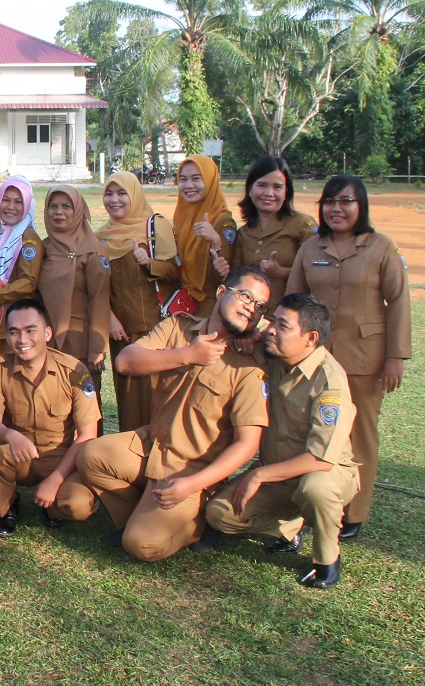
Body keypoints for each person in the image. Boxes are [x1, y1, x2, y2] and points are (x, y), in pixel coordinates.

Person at [75, 267, 270, 562]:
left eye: (259, 305)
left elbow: (248, 444)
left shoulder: (250, 366)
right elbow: (126, 361)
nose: (250, 307)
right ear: (221, 293)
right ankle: (141, 512)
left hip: (191, 469)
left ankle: (198, 520)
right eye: (244, 295)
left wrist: (193, 484)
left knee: (142, 545)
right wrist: (187, 355)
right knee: (91, 456)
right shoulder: (178, 329)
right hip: (152, 445)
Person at [205, 294, 359, 588]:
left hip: (325, 472)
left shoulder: (329, 382)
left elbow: (320, 458)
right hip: (279, 475)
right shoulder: (276, 352)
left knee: (316, 488)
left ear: (310, 338)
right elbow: (251, 325)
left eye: (282, 326)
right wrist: (249, 334)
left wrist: (258, 474)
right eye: (272, 321)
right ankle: (289, 529)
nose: (271, 330)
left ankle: (326, 560)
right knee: (219, 514)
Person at [287, 174, 411, 540]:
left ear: (361, 206)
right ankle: (309, 504)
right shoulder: (310, 248)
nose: (336, 209)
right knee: (309, 428)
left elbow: (399, 301)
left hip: (366, 358)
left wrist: (396, 356)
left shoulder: (381, 247)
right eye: (329, 202)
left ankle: (354, 511)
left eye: (346, 201)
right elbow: (295, 299)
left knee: (360, 434)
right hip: (316, 358)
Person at [0, 299, 102, 537]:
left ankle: (53, 508)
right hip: (19, 454)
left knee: (78, 506)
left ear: (47, 333)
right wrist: (10, 434)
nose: (22, 340)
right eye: (14, 332)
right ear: (7, 337)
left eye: (30, 331)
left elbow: (88, 435)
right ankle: (7, 508)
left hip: (60, 458)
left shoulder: (74, 371)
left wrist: (55, 480)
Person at [97, 172, 179, 431]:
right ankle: (130, 455)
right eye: (109, 194)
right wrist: (109, 317)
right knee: (128, 398)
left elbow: (174, 273)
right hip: (118, 331)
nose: (114, 200)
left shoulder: (154, 227)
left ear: (135, 194)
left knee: (155, 395)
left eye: (122, 193)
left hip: (152, 327)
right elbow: (96, 286)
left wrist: (148, 262)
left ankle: (157, 456)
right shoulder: (99, 237)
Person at [38, 185, 110, 412]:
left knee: (84, 406)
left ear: (78, 210)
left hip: (81, 344)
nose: (58, 212)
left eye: (66, 206)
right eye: (53, 206)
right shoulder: (44, 248)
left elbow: (99, 300)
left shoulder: (92, 252)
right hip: (48, 342)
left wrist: (96, 349)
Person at [216, 155, 317, 303]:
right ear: (250, 190)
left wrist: (280, 272)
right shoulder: (243, 233)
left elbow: (320, 272)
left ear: (286, 192)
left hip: (289, 319)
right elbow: (235, 279)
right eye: (262, 185)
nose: (269, 193)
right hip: (251, 318)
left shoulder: (303, 225)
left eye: (277, 187)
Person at [0, 176, 41, 358]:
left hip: (13, 326)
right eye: (6, 199)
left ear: (28, 205)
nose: (10, 206)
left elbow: (29, 282)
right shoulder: (4, 235)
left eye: (18, 202)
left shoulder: (28, 239)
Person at [173, 155, 236, 318]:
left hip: (210, 307)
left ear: (210, 181)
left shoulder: (223, 222)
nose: (188, 185)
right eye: (183, 179)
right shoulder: (182, 217)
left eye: (196, 179)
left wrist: (215, 241)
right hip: (184, 303)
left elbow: (228, 275)